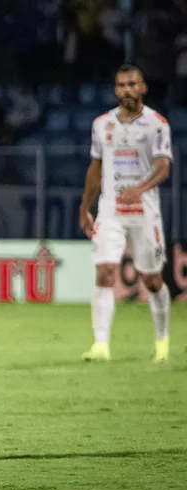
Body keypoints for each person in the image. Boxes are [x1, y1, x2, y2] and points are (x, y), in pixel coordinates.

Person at [79, 64, 172, 363]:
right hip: (111, 208)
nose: (127, 90)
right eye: (121, 85)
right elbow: (95, 169)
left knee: (152, 280)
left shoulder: (157, 124)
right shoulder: (101, 124)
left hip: (144, 211)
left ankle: (162, 340)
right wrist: (85, 208)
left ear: (143, 87)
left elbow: (163, 166)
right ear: (115, 89)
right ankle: (101, 345)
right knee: (105, 271)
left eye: (132, 84)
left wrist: (141, 188)